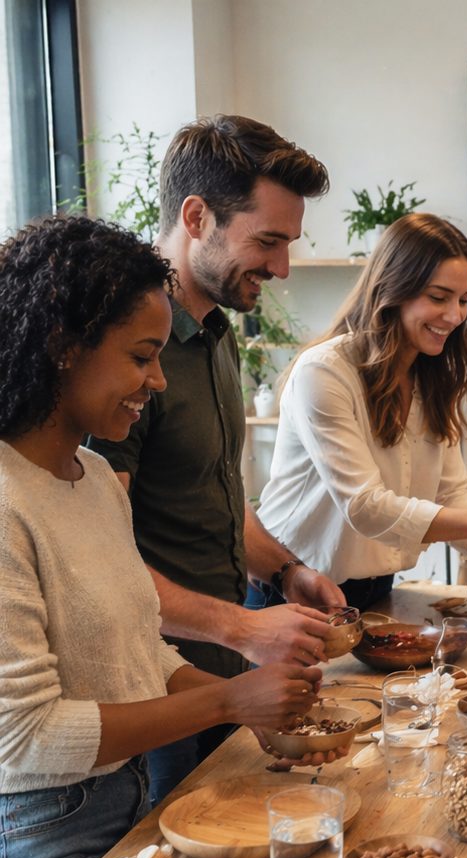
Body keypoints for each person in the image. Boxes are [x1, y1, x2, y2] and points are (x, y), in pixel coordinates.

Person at [0, 216, 320, 858]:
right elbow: (27, 737)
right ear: (62, 349)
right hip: (36, 838)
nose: (158, 379)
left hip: (128, 796)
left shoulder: (95, 484)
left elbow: (142, 650)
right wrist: (227, 699)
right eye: (142, 357)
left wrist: (248, 712)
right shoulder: (7, 502)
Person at [87, 115, 339, 801]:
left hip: (228, 676)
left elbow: (217, 494)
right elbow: (99, 557)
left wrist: (286, 571)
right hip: (156, 691)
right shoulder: (123, 361)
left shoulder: (218, 332)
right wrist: (241, 626)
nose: (282, 267)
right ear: (196, 217)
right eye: (268, 241)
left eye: (288, 244)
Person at [254, 213, 467, 608]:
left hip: (376, 592)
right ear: (393, 288)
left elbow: (450, 496)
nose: (455, 316)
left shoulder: (430, 377)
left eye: (464, 300)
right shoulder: (325, 371)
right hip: (290, 593)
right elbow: (365, 507)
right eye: (439, 297)